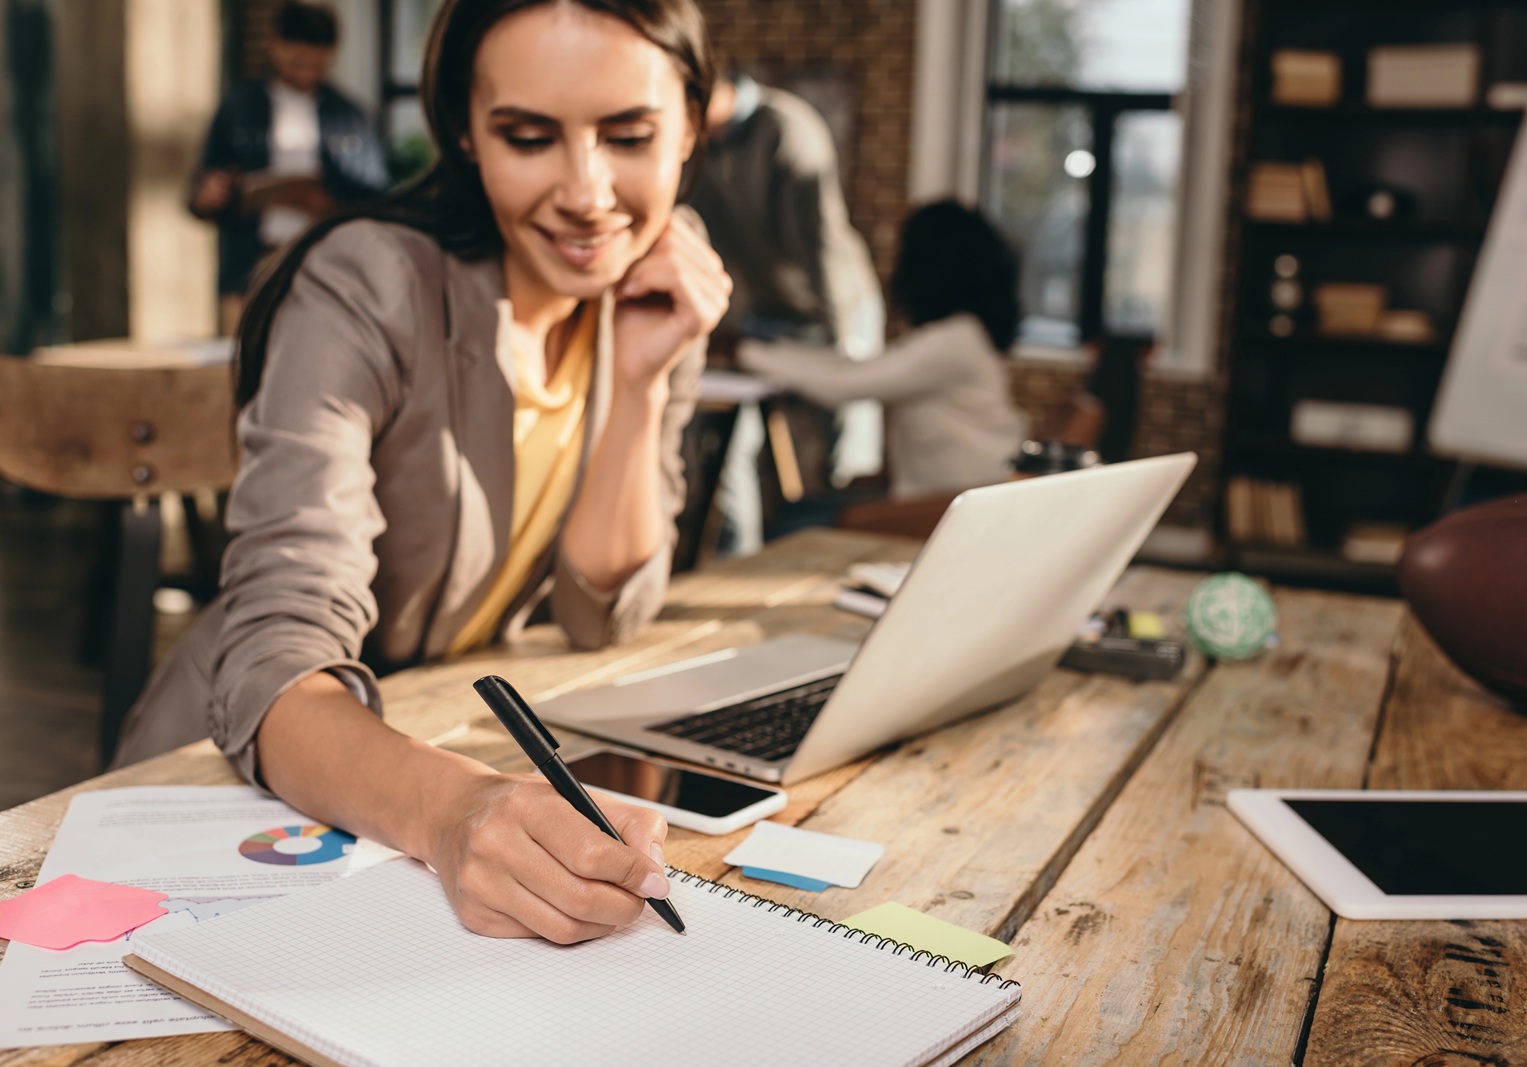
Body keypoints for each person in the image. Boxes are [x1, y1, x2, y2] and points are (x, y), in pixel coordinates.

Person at [117, 0, 730, 946]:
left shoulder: (656, 285)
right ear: (465, 134)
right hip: (230, 798)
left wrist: (642, 380)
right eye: (529, 136)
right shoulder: (367, 283)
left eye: (630, 134)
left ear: (693, 122)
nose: (588, 192)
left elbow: (599, 611)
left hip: (413, 793)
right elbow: (279, 656)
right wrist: (456, 811)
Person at [687, 70, 885, 551]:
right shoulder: (698, 145)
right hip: (765, 312)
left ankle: (830, 555)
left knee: (836, 450)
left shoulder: (787, 129)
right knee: (729, 441)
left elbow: (821, 247)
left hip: (832, 308)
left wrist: (841, 351)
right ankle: (740, 558)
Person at [739, 199, 1027, 499]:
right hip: (943, 500)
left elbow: (843, 384)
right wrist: (762, 350)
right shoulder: (959, 335)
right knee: (802, 509)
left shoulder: (956, 340)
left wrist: (744, 353)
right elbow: (849, 368)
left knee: (792, 520)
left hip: (947, 509)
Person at [188, 2, 388, 334]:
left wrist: (329, 204)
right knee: (242, 367)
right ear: (274, 45)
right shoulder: (240, 107)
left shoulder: (349, 116)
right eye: (298, 57)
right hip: (250, 266)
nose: (307, 67)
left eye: (317, 59)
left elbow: (376, 199)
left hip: (326, 268)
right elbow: (201, 190)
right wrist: (212, 193)